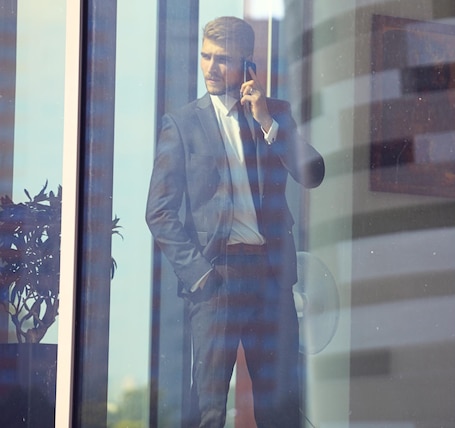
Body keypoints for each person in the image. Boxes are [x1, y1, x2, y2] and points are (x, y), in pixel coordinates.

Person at [145, 16, 325, 428]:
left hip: (270, 277)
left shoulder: (274, 114)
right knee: (208, 410)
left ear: (247, 64)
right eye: (205, 56)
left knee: (281, 409)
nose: (210, 67)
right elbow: (159, 211)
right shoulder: (183, 125)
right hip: (217, 277)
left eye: (222, 59)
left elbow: (312, 173)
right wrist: (200, 276)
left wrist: (266, 121)